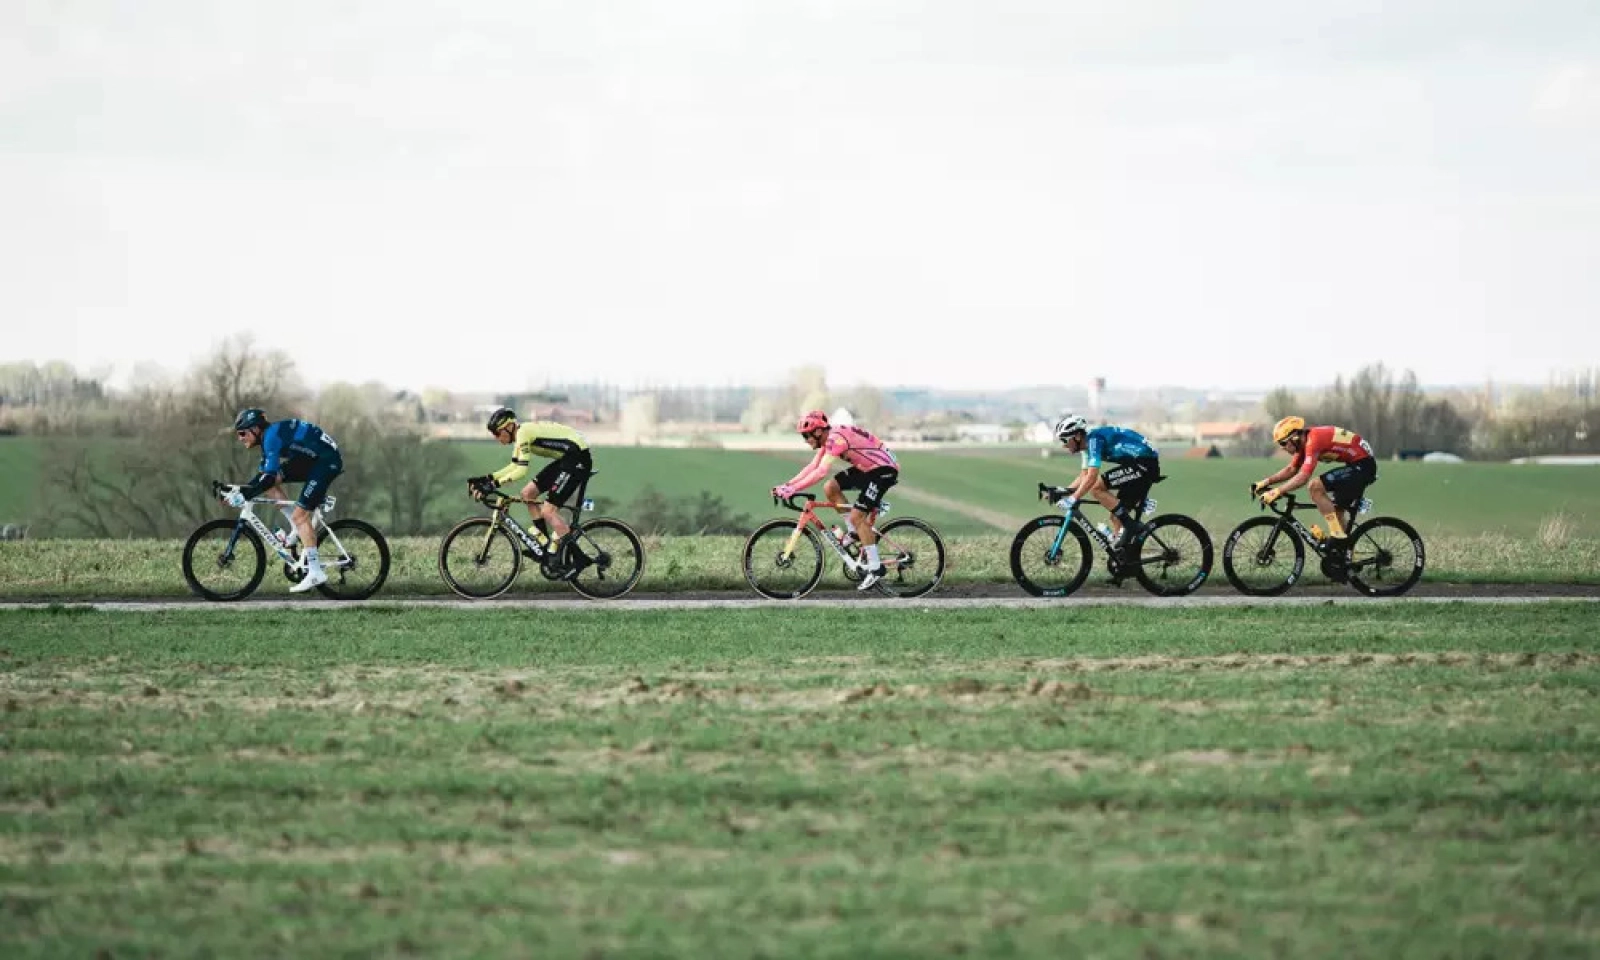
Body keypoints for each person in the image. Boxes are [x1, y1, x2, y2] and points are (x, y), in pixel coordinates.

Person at [772, 410, 900, 592]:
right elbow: (812, 466)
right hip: (868, 469)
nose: (805, 441)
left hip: (883, 470)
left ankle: (875, 568)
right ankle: (854, 533)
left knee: (858, 516)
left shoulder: (835, 440)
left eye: (806, 436)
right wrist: (787, 485)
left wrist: (793, 489)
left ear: (817, 432)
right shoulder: (828, 438)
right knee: (830, 488)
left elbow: (821, 471)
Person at [222, 408, 343, 593]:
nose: (240, 438)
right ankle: (296, 528)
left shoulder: (270, 438)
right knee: (271, 483)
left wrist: (245, 495)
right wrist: (239, 490)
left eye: (242, 433)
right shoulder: (269, 437)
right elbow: (265, 477)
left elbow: (267, 478)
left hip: (325, 462)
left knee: (300, 516)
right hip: (310, 458)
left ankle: (316, 571)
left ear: (255, 429)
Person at [468, 406, 592, 569]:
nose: (497, 438)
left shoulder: (522, 433)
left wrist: (492, 485)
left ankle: (579, 558)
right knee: (528, 493)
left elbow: (521, 471)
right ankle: (545, 545)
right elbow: (514, 465)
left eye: (498, 433)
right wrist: (488, 478)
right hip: (567, 458)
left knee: (548, 511)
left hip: (577, 459)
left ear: (509, 427)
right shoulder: (520, 436)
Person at [1251, 416, 1377, 549]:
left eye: (1283, 443)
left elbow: (1303, 477)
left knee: (1315, 486)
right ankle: (1346, 558)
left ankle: (1337, 536)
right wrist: (1265, 483)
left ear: (1294, 438)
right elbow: (1291, 469)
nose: (1282, 448)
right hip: (1357, 465)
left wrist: (1277, 491)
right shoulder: (1305, 442)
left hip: (1363, 466)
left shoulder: (1313, 441)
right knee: (1337, 514)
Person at [1042, 414, 1160, 547]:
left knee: (1096, 488)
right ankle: (1125, 556)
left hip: (1145, 464)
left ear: (1077, 436)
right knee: (1116, 517)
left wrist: (1073, 498)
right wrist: (1063, 491)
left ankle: (1131, 526)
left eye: (1064, 440)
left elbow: (1092, 477)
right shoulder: (1085, 447)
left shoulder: (1094, 440)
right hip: (1138, 466)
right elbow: (1084, 476)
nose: (1063, 445)